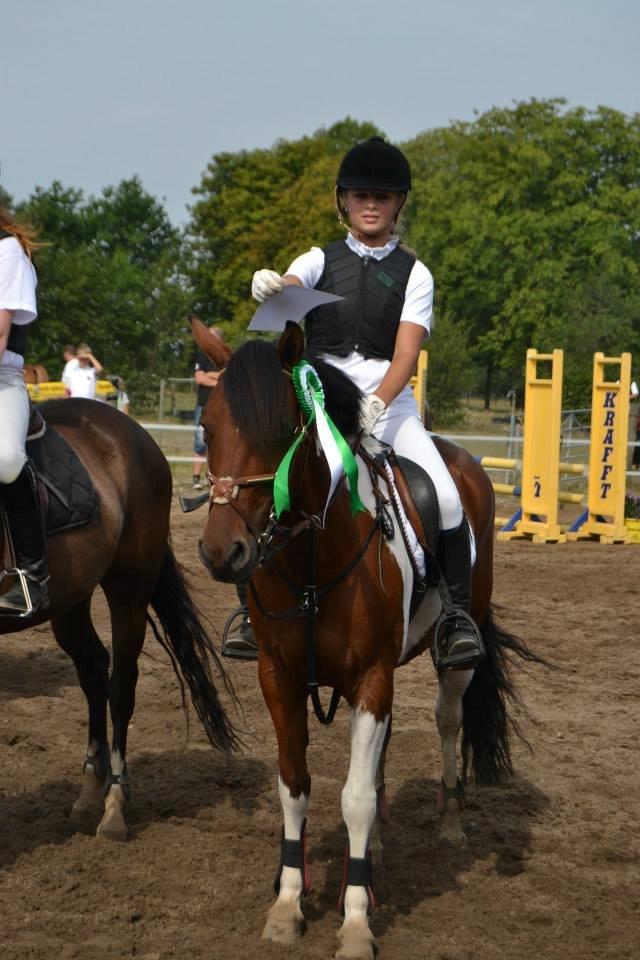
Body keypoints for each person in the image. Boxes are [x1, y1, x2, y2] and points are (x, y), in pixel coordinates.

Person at [250, 137, 483, 666]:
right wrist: (273, 287)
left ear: (399, 203)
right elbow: (290, 289)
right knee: (270, 489)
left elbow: (407, 355)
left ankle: (455, 619)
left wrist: (376, 403)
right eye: (360, 196)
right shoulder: (317, 259)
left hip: (389, 407)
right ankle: (251, 610)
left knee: (448, 499)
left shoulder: (415, 273)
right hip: (320, 402)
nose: (371, 205)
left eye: (382, 196)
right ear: (344, 201)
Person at [0, 207, 48, 615]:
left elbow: (0, 333)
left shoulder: (8, 252)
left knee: (5, 459)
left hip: (2, 379)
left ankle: (31, 576)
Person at [192, 328, 223, 490]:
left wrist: (209, 375)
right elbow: (199, 379)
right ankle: (196, 478)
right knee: (199, 443)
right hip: (203, 405)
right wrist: (218, 380)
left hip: (221, 407)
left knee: (217, 442)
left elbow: (227, 376)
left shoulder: (225, 357)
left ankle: (211, 476)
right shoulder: (202, 356)